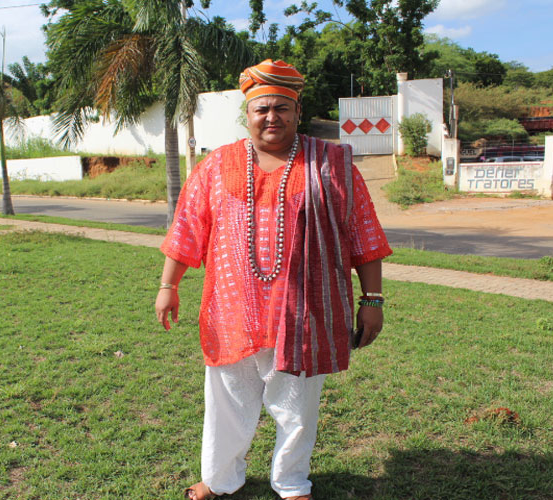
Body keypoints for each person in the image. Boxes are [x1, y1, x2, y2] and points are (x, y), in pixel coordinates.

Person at [155, 59, 392, 500]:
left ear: (298, 112)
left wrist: (372, 300)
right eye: (262, 108)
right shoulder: (215, 165)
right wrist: (169, 286)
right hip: (232, 309)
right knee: (226, 403)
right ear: (247, 114)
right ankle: (220, 478)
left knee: (297, 405)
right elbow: (188, 227)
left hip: (306, 309)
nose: (271, 117)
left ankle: (291, 481)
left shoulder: (332, 163)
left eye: (282, 107)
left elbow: (362, 232)